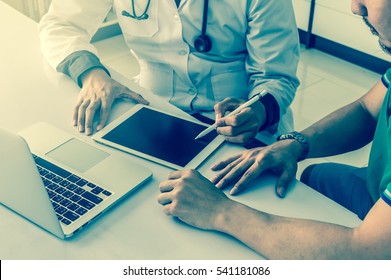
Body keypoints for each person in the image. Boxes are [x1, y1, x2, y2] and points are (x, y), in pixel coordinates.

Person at [158, 0, 391, 259]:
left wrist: (220, 211)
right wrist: (296, 144)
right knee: (315, 176)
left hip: (373, 247)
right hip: (373, 184)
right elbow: (367, 110)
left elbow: (364, 253)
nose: (355, 7)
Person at [38, 0, 299, 145]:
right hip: (153, 108)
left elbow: (276, 76)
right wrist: (92, 74)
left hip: (236, 125)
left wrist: (259, 111)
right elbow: (62, 23)